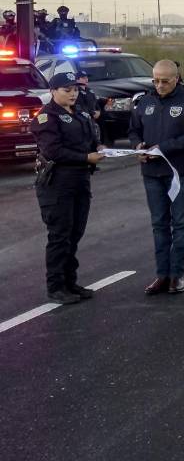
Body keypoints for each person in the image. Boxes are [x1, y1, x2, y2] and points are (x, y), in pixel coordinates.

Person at [129, 60, 184, 295]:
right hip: (151, 173)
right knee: (158, 225)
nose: (159, 85)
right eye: (156, 80)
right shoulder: (145, 101)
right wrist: (138, 146)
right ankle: (162, 274)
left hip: (179, 173)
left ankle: (176, 275)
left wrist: (164, 147)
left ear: (176, 79)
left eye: (165, 81)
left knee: (180, 224)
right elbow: (133, 130)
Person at [32, 71, 106, 304]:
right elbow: (53, 151)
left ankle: (70, 282)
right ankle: (55, 286)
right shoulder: (46, 118)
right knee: (60, 235)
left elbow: (89, 138)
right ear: (53, 92)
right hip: (57, 183)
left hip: (80, 180)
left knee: (75, 233)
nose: (73, 93)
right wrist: (87, 157)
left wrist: (99, 147)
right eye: (67, 90)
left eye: (74, 89)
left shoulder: (80, 112)